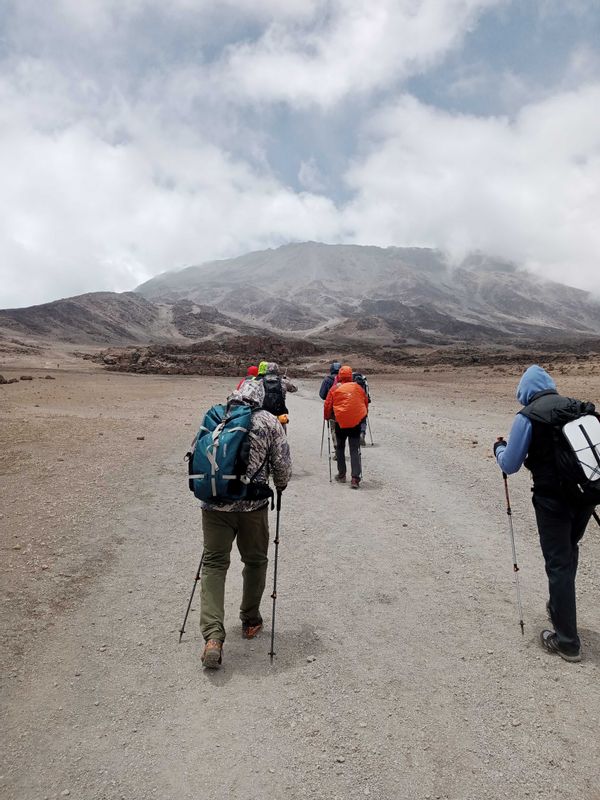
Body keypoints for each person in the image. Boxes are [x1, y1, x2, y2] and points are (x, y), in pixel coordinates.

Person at [494, 364, 597, 663]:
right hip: (584, 496)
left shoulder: (528, 416)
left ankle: (567, 642)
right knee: (568, 553)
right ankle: (559, 608)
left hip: (552, 501)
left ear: (525, 391)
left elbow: (510, 464)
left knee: (558, 563)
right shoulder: (577, 407)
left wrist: (498, 448)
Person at [199, 380, 292, 669]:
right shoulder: (268, 421)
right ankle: (250, 620)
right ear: (260, 398)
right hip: (253, 507)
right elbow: (283, 465)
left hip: (214, 506)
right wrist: (280, 485)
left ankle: (213, 637)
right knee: (255, 561)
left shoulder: (216, 415)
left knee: (214, 564)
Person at [324, 364, 369, 489]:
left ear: (339, 376)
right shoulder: (358, 388)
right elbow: (364, 402)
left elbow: (328, 405)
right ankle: (355, 478)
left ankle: (342, 475)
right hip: (355, 423)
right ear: (350, 376)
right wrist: (362, 417)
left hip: (340, 422)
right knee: (354, 449)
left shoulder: (334, 388)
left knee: (340, 448)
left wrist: (327, 417)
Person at [320, 361, 341, 453]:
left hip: (332, 410)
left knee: (334, 429)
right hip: (345, 409)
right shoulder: (346, 380)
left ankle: (338, 449)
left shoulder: (327, 379)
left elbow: (322, 394)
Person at [353, 372, 371, 446]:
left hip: (353, 403)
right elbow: (367, 393)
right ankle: (362, 433)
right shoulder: (364, 381)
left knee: (355, 420)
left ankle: (355, 437)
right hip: (363, 403)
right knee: (363, 420)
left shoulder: (352, 380)